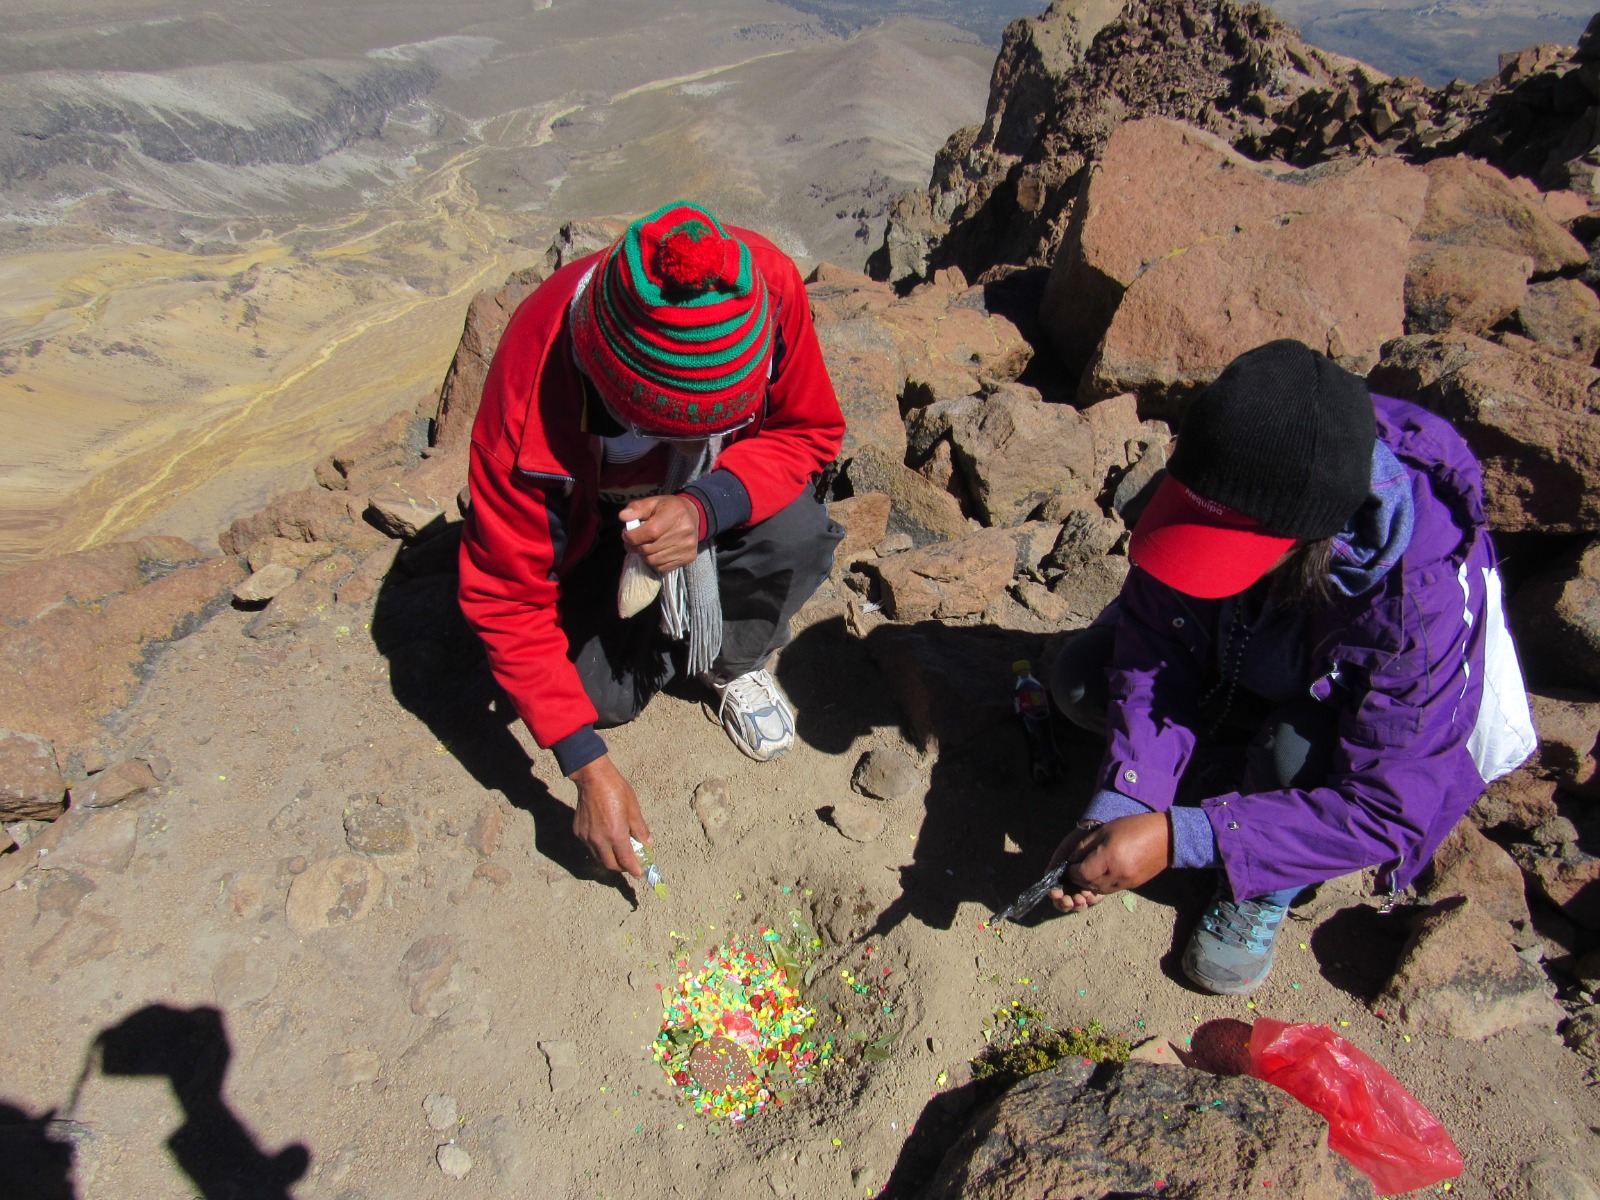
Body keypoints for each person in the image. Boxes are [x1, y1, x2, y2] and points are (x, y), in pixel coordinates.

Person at [1045, 339, 1535, 995]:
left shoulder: (1416, 604)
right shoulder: (1240, 452)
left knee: (1293, 753)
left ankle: (1264, 878)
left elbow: (1385, 806)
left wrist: (1182, 837)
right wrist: (1127, 795)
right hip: (1251, 650)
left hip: (1338, 723)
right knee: (1084, 680)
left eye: (1227, 548)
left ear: (1313, 535)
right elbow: (1152, 631)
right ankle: (1230, 789)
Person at [459, 202, 845, 880]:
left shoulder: (763, 290)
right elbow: (505, 598)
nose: (687, 446)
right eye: (671, 433)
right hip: (592, 531)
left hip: (704, 504)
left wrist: (704, 504)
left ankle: (726, 660)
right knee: (596, 702)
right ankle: (668, 629)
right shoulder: (530, 398)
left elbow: (805, 432)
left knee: (798, 534)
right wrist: (586, 767)